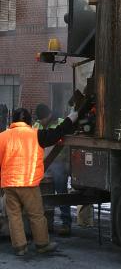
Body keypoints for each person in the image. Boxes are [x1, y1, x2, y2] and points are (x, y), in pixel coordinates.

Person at [0, 107, 78, 256]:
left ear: (13, 121)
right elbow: (57, 134)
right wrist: (70, 119)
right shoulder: (36, 135)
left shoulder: (2, 137)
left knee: (14, 216)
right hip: (28, 183)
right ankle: (42, 244)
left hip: (9, 184)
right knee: (36, 214)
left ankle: (20, 247)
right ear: (29, 121)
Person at [33, 104, 72, 236]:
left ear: (48, 115)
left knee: (61, 194)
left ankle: (66, 223)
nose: (41, 122)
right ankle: (45, 222)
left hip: (59, 164)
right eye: (39, 120)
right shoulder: (37, 125)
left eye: (42, 119)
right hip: (42, 166)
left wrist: (66, 162)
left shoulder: (61, 123)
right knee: (42, 195)